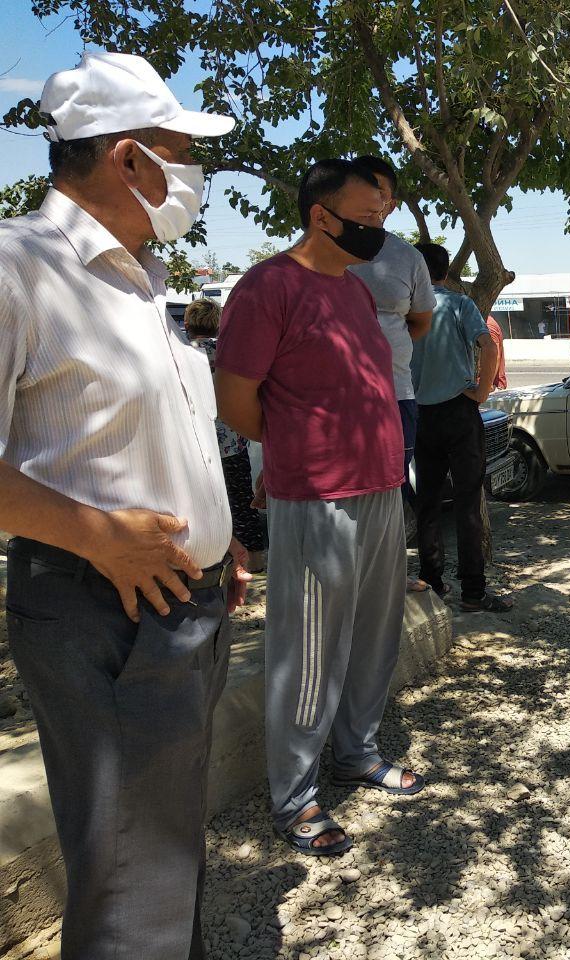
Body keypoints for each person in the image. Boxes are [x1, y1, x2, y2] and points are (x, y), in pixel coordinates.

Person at [0, 51, 251, 959]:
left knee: (163, 848)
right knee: (128, 876)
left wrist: (222, 544)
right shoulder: (18, 268)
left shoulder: (137, 278)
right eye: (183, 151)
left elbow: (151, 430)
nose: (196, 174)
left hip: (181, 600)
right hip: (101, 607)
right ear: (128, 159)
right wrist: (102, 537)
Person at [215, 159, 424, 858]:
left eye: (386, 216)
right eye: (368, 217)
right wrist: (292, 449)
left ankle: (356, 752)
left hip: (381, 489)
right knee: (308, 652)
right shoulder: (268, 287)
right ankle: (294, 797)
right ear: (321, 215)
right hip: (317, 496)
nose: (380, 230)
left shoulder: (358, 293)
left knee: (373, 634)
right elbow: (236, 399)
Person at [346, 155, 436, 593]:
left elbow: (420, 321)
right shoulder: (320, 252)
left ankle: (390, 575)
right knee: (342, 491)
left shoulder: (407, 257)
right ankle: (347, 579)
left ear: (392, 202)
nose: (371, 202)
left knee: (392, 486)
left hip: (395, 391)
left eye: (379, 193)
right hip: (333, 397)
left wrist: (387, 348)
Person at [410, 242, 512, 612]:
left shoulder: (407, 310)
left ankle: (433, 583)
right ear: (445, 270)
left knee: (428, 505)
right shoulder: (458, 304)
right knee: (469, 503)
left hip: (421, 414)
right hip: (459, 410)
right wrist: (481, 391)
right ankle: (473, 592)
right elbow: (488, 345)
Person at [185, 298, 267, 573]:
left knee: (201, 503)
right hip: (233, 440)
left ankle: (210, 561)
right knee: (242, 500)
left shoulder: (183, 354)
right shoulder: (228, 353)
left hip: (198, 443)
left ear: (187, 323)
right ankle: (255, 560)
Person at [486, 315, 508, 389]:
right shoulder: (485, 322)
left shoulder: (488, 325)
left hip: (492, 387)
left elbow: (494, 356)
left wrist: (488, 385)